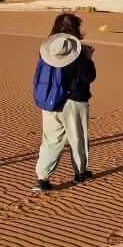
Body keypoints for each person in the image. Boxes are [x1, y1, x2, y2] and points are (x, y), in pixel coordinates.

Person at [33, 13, 96, 192]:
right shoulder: (77, 52)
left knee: (51, 140)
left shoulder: (47, 49)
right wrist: (88, 57)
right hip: (74, 102)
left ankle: (42, 178)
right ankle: (80, 173)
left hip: (50, 101)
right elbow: (89, 76)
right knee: (78, 139)